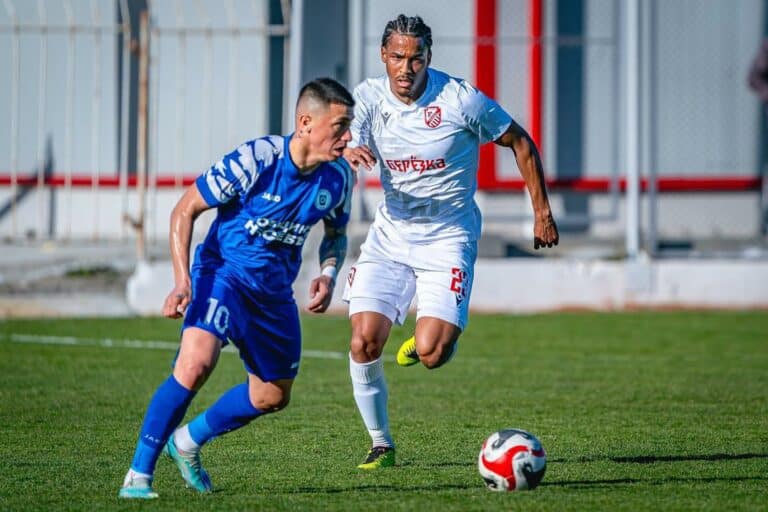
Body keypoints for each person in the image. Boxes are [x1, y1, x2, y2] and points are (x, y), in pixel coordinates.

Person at [118, 77, 356, 499]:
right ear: (305, 123)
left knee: (271, 395)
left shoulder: (338, 178)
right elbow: (185, 209)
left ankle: (187, 441)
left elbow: (336, 234)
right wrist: (182, 281)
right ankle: (138, 475)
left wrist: (329, 272)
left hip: (274, 295)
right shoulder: (256, 159)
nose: (348, 137)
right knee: (195, 363)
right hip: (223, 274)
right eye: (339, 126)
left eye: (349, 126)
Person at [341, 14, 559, 469]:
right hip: (390, 235)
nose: (406, 68)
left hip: (448, 236)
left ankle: (433, 338)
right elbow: (345, 136)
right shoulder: (368, 97)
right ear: (383, 55)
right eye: (397, 57)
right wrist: (348, 148)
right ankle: (381, 444)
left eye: (416, 58)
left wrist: (541, 212)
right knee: (363, 341)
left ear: (428, 58)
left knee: (432, 353)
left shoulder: (461, 100)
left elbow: (520, 141)